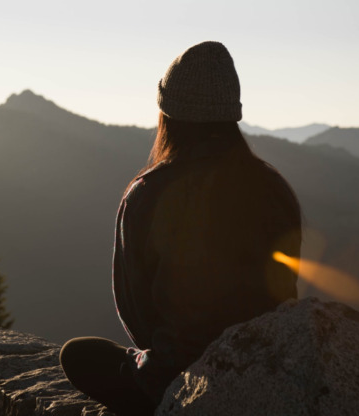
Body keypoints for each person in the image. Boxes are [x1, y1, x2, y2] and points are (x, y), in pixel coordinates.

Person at [59, 41, 302, 414]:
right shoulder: (273, 188)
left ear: (168, 115)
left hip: (179, 379)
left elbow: (136, 309)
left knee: (79, 355)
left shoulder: (147, 193)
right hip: (265, 370)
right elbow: (284, 292)